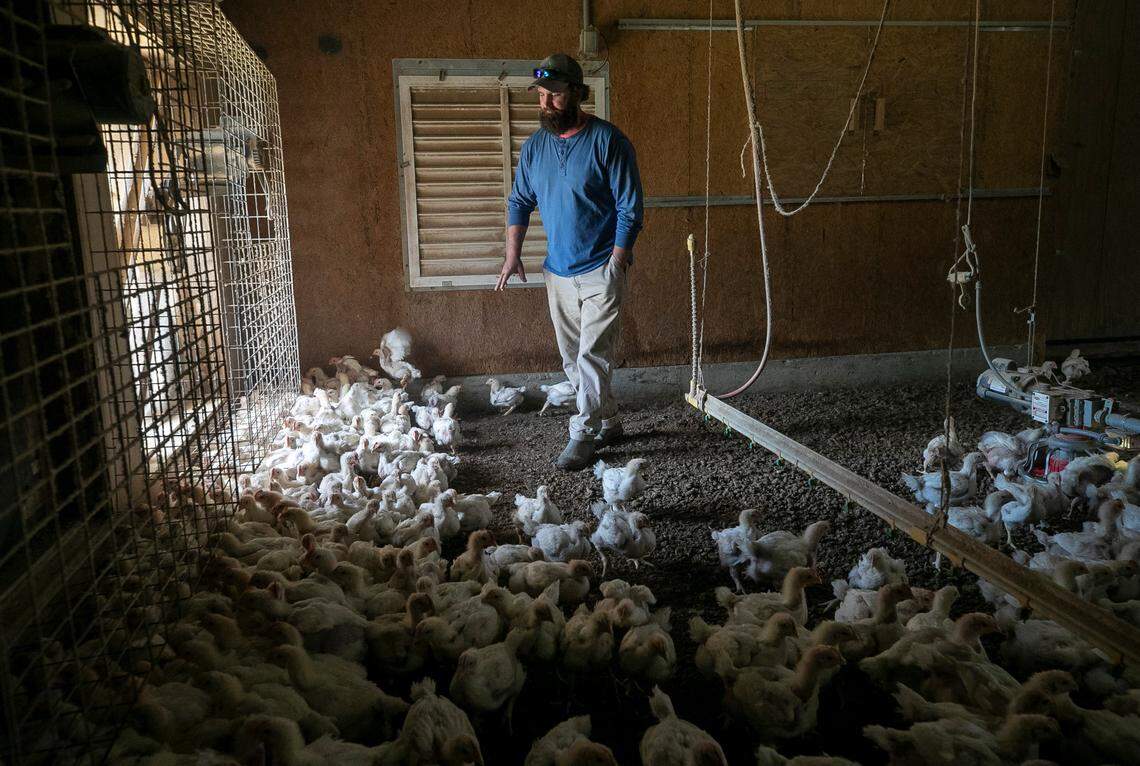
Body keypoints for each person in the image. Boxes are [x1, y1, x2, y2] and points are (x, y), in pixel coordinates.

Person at [496, 53, 644, 471]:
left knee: (592, 356)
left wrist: (617, 260)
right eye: (541, 96)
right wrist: (513, 253)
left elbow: (630, 208)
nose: (546, 104)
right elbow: (519, 201)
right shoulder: (535, 146)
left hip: (601, 268)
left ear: (578, 94)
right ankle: (609, 420)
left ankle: (582, 434)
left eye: (555, 96)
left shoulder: (608, 141)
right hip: (557, 272)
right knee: (571, 357)